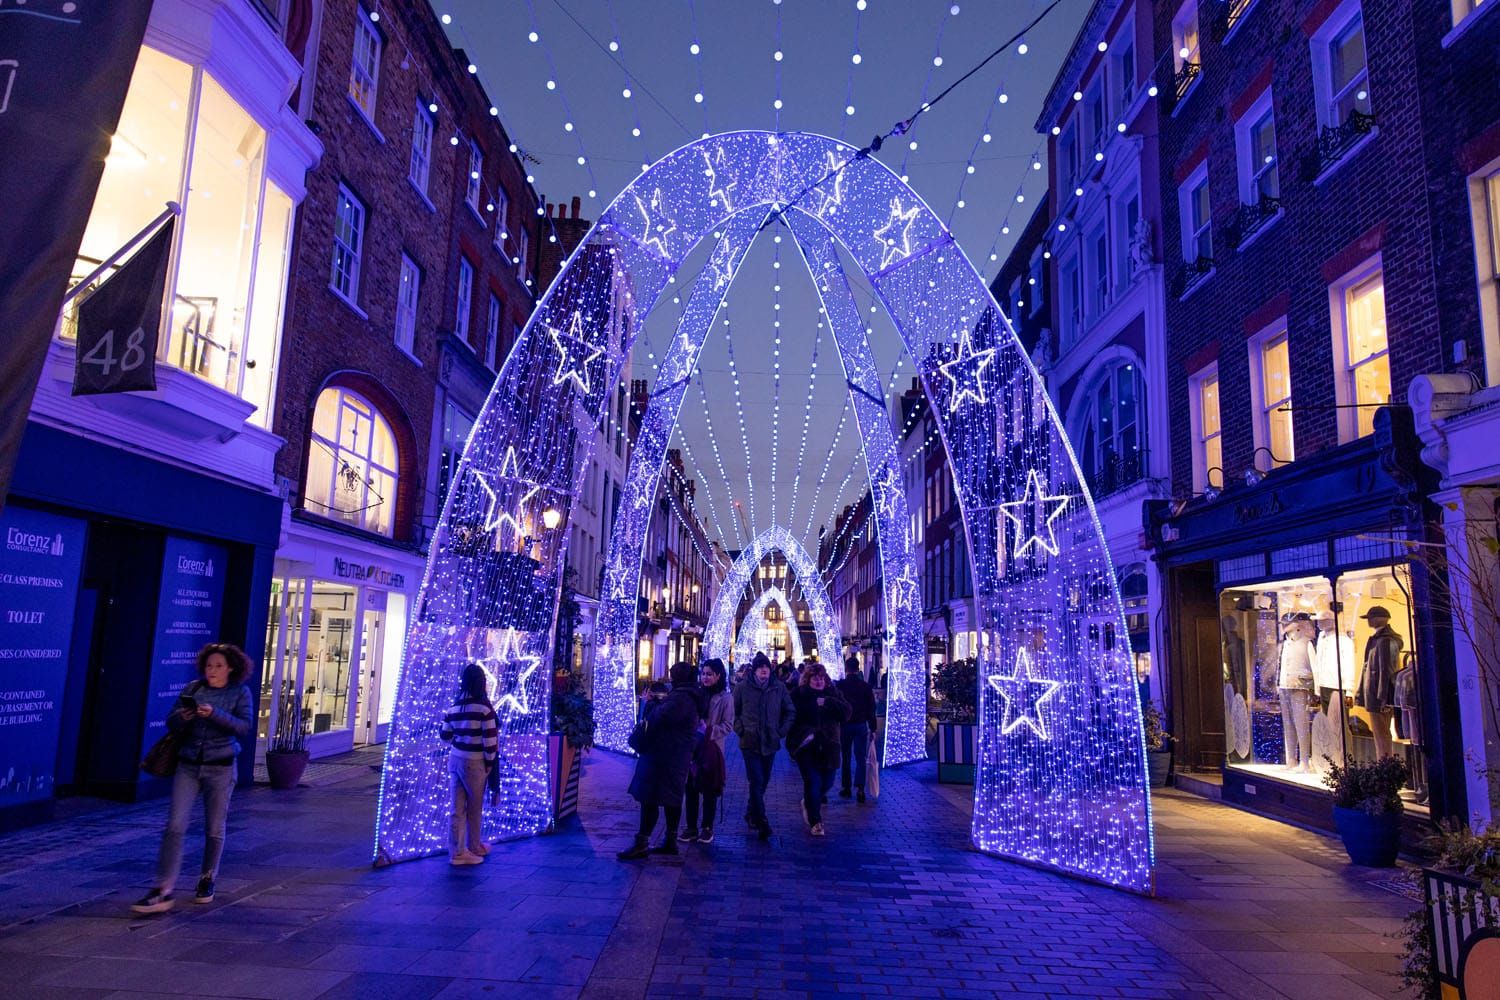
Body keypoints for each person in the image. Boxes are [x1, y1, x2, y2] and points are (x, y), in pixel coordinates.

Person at [133, 643, 253, 913]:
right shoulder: (193, 689)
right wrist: (183, 716)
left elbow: (244, 727)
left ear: (231, 667)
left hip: (220, 765)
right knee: (175, 824)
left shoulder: (239, 693)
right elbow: (171, 721)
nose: (212, 670)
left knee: (214, 826)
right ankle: (163, 888)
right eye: (209, 665)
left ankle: (207, 877)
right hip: (188, 764)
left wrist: (215, 714)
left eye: (219, 666)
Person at [619, 662, 700, 860]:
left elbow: (659, 718)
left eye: (673, 675)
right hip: (675, 755)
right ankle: (669, 841)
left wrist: (650, 703)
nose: (670, 678)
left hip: (663, 756)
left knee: (651, 799)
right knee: (672, 798)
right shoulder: (690, 695)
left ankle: (642, 842)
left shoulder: (681, 697)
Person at [437, 661, 499, 866]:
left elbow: (445, 736)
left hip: (455, 760)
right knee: (474, 807)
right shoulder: (484, 710)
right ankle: (474, 846)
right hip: (475, 762)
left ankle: (457, 851)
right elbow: (490, 742)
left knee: (457, 808)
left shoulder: (454, 707)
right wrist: (489, 765)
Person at [733, 651, 794, 840]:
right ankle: (762, 821)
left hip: (770, 741)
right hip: (749, 742)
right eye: (760, 668)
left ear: (770, 670)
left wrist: (780, 731)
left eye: (766, 668)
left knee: (763, 781)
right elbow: (734, 712)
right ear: (754, 671)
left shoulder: (779, 688)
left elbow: (790, 711)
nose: (763, 671)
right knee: (757, 780)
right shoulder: (742, 688)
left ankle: (751, 813)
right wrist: (741, 729)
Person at [788, 662, 850, 836]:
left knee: (827, 783)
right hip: (806, 747)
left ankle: (808, 802)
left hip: (829, 746)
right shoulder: (798, 695)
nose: (819, 681)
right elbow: (789, 717)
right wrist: (796, 739)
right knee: (813, 782)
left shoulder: (833, 693)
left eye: (821, 678)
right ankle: (816, 821)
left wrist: (828, 702)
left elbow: (846, 712)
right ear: (808, 679)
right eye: (815, 678)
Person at [683, 658, 733, 843]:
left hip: (712, 749)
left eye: (709, 674)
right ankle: (690, 827)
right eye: (703, 674)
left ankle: (707, 827)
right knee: (691, 788)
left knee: (710, 788)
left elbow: (728, 725)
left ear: (718, 676)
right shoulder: (696, 694)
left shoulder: (725, 698)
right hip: (692, 748)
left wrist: (709, 730)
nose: (705, 677)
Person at [836, 655, 875, 803]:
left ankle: (846, 788)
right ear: (858, 669)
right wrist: (873, 728)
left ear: (846, 669)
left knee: (845, 757)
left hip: (845, 725)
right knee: (860, 758)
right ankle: (860, 788)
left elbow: (837, 705)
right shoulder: (865, 687)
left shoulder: (840, 686)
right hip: (860, 726)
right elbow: (871, 708)